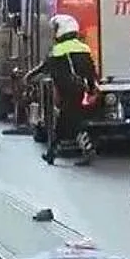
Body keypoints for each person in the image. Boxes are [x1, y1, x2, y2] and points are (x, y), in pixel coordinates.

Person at [24, 14, 98, 166]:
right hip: (79, 90)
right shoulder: (84, 48)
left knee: (68, 123)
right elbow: (90, 71)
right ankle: (53, 153)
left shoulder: (58, 50)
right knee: (67, 123)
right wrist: (91, 89)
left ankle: (82, 150)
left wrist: (28, 77)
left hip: (66, 91)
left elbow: (44, 68)